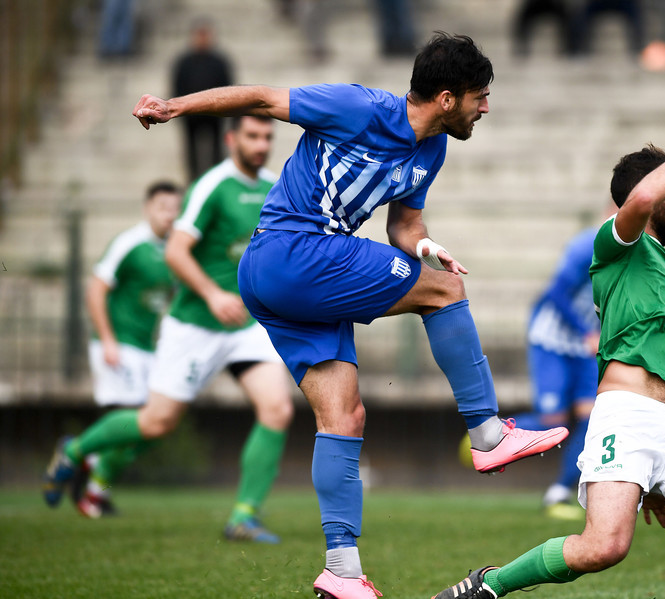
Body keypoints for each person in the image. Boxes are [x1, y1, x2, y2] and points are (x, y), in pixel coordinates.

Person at [128, 32, 568, 599]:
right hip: (291, 252)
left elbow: (404, 228)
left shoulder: (432, 149)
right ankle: (486, 433)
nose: (486, 106)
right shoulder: (358, 106)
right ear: (445, 97)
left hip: (298, 278)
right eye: (480, 95)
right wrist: (174, 107)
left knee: (344, 416)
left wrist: (428, 250)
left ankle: (341, 571)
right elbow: (263, 99)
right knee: (447, 294)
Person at [431, 118, 665, 599]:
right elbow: (636, 202)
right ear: (652, 196)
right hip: (627, 419)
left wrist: (657, 470)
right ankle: (488, 585)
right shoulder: (617, 247)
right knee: (603, 548)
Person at [44, 115, 294, 544]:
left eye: (267, 136)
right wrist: (213, 295)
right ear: (231, 139)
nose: (261, 144)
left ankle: (243, 516)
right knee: (156, 422)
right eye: (252, 136)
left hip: (246, 323)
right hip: (196, 324)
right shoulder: (211, 186)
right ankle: (75, 450)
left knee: (277, 408)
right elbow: (177, 253)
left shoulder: (273, 186)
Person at [72, 181, 182, 518]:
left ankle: (91, 466)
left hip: (146, 350)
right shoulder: (130, 243)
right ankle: (90, 485)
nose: (170, 216)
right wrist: (107, 339)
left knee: (148, 431)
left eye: (176, 209)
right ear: (148, 208)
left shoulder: (175, 251)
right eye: (163, 208)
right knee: (136, 423)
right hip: (119, 346)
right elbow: (96, 289)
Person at [508, 217, 608, 520]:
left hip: (585, 349)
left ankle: (559, 492)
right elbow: (556, 293)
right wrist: (585, 331)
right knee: (553, 420)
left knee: (591, 418)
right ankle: (491, 433)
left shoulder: (638, 254)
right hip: (551, 340)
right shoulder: (588, 247)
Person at [171, 17, 234, 182]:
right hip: (190, 115)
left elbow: (229, 87)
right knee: (191, 152)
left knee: (216, 152)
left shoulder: (219, 62)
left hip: (215, 115)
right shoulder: (184, 62)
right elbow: (177, 86)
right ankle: (193, 181)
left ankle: (216, 181)